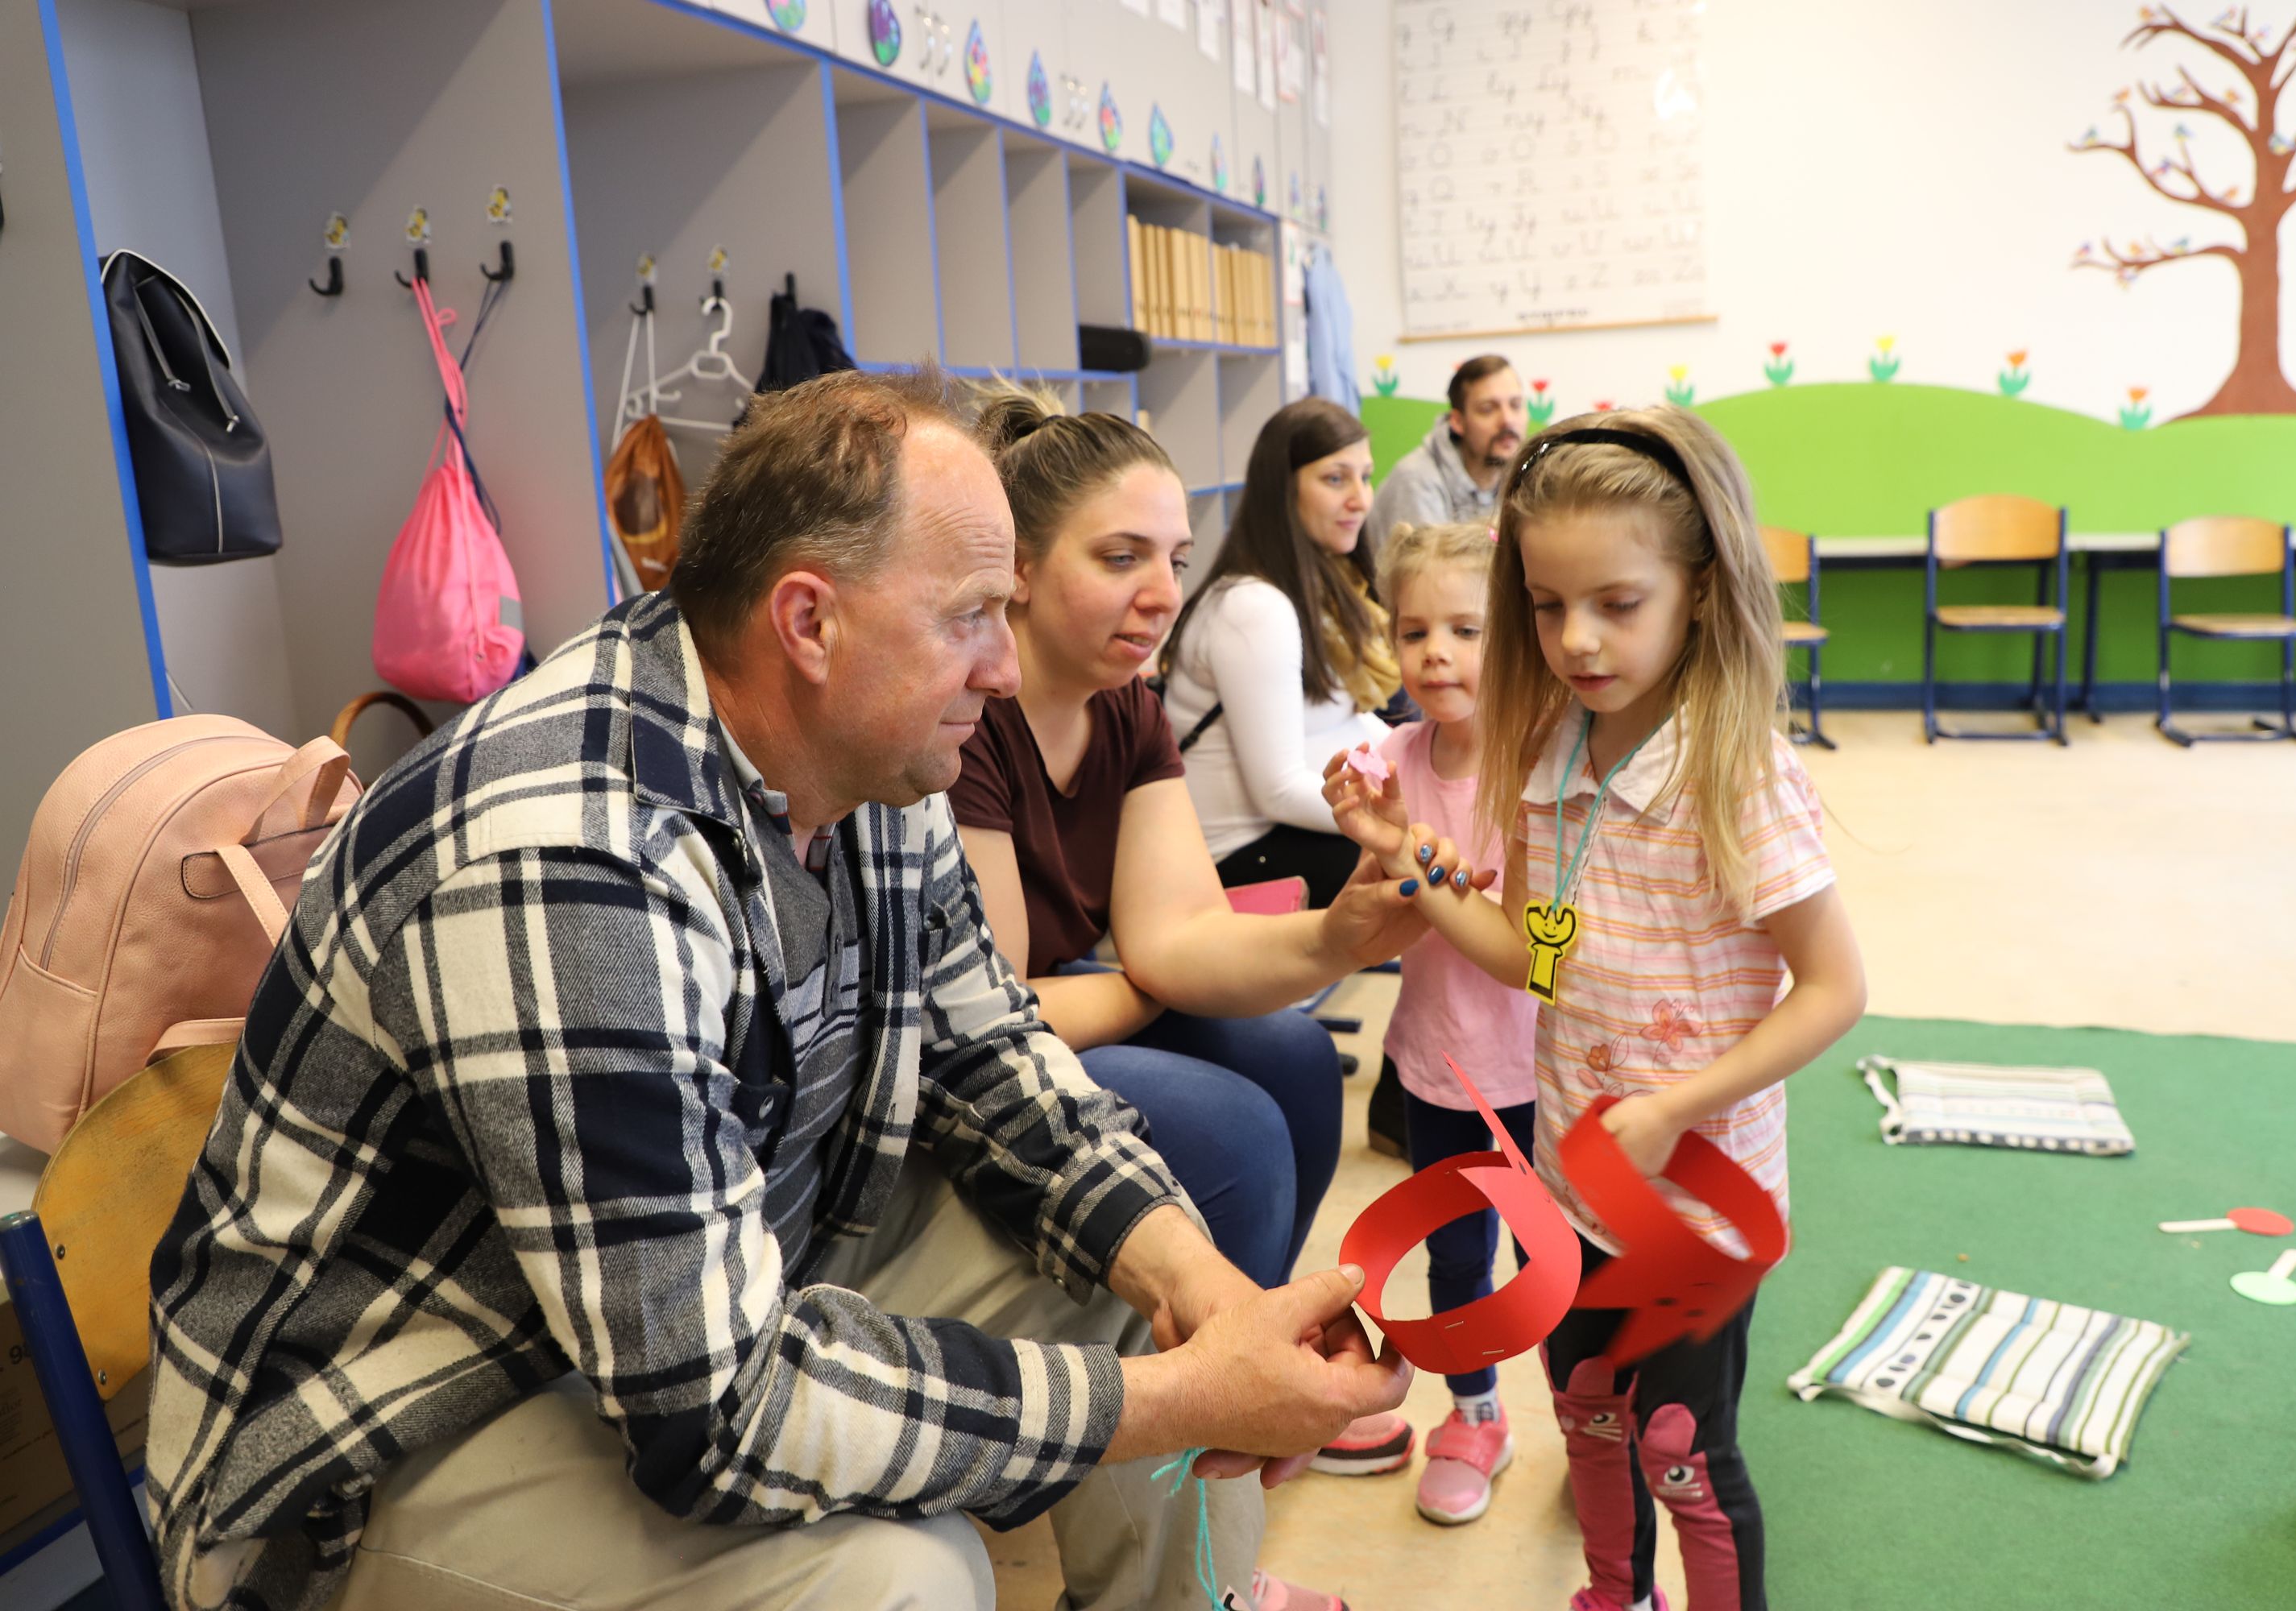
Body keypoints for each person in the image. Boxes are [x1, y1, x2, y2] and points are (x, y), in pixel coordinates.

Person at [146, 371, 1407, 1611]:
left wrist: (1202, 1293)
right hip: (388, 1439)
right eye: (973, 616)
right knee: (905, 1582)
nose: (1003, 668)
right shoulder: (570, 859)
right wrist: (1177, 1403)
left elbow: (992, 1061)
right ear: (809, 623)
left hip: (698, 1294)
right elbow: (713, 1414)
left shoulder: (873, 757)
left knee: (1126, 1281)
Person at [1326, 408, 1867, 1611]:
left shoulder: (1739, 772)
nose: (1576, 639)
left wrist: (1678, 1107)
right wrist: (1402, 851)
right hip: (1575, 1190)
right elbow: (1535, 958)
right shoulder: (1549, 758)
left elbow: (1837, 988)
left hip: (1697, 1208)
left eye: (1618, 604)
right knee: (1588, 1415)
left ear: (1700, 590)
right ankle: (1613, 1596)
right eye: (1546, 604)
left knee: (1682, 1447)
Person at [950, 387, 1439, 1479]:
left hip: (1077, 991)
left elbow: (1178, 936)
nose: (1164, 594)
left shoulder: (1128, 704)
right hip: (979, 1050)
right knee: (1235, 1131)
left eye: (1174, 559)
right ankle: (1207, 1435)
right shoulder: (969, 718)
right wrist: (1147, 982)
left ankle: (1262, 1368)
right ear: (1018, 568)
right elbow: (996, 1013)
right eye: (1120, 557)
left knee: (1298, 1058)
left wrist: (1342, 936)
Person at [1360, 520, 1540, 1526]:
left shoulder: (1544, 770)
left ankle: (1597, 1422)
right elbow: (1363, 917)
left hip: (1544, 1073)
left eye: (1466, 630)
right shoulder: (1392, 759)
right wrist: (1372, 844)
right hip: (1436, 1066)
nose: (1436, 653)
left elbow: (1545, 952)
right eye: (1414, 629)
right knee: (1457, 1258)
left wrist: (1439, 880)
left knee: (1555, 1261)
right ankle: (1476, 1415)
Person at [1159, 397, 1396, 910]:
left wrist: (1425, 764)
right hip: (1237, 857)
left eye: (1365, 477)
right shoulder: (1254, 607)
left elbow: (1347, 719)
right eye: (1336, 479)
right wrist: (1400, 818)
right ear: (1283, 489)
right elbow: (1278, 791)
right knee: (1414, 874)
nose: (1360, 499)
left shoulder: (1319, 583)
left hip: (1285, 834)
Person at [1365, 354, 1527, 546]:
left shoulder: (1524, 475)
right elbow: (1427, 565)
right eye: (1488, 409)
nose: (1508, 420)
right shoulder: (1417, 481)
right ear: (1457, 422)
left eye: (1516, 405)